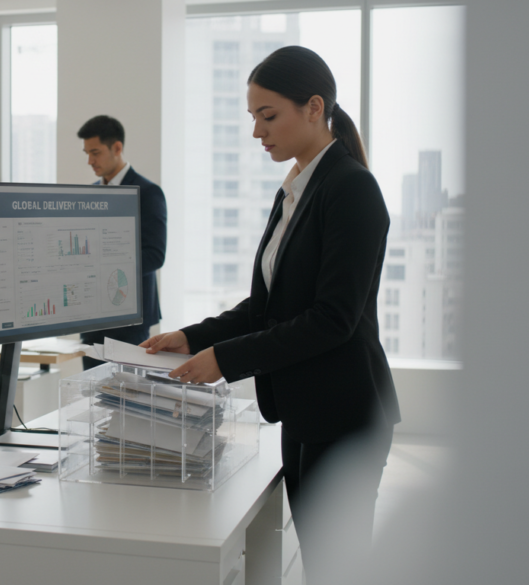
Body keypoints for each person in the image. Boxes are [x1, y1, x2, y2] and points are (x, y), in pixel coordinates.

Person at [141, 46, 400, 584]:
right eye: (252, 118)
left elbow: (333, 318)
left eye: (268, 116)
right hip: (305, 408)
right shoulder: (296, 191)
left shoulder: (350, 188)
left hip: (346, 415)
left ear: (313, 107)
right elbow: (267, 308)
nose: (258, 132)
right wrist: (191, 337)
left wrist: (225, 360)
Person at [77, 115, 167, 369]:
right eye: (87, 153)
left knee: (128, 399)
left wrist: (104, 265)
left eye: (95, 152)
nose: (90, 161)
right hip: (92, 316)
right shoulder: (89, 194)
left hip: (130, 318)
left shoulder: (148, 192)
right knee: (92, 396)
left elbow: (155, 255)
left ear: (117, 148)